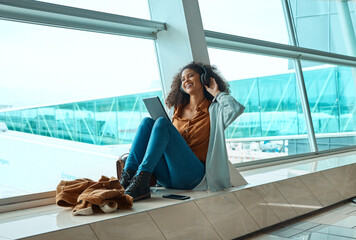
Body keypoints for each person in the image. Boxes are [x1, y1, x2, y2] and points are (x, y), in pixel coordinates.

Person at [120, 62, 245, 201]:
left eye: (190, 76)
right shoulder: (175, 111)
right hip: (167, 177)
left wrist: (216, 92)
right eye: (183, 79)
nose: (186, 81)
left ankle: (141, 179)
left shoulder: (215, 111)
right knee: (147, 122)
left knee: (162, 123)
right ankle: (127, 177)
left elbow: (235, 109)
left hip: (192, 177)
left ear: (204, 79)